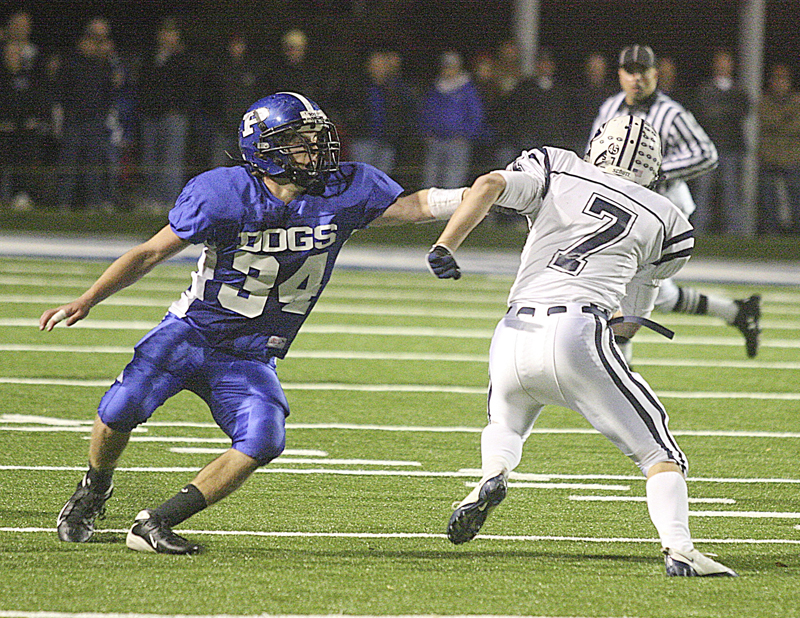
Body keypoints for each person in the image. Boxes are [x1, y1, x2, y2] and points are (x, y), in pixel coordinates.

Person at [41, 92, 464, 555]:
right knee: (119, 408)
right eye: (301, 142)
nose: (318, 152)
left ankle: (156, 522)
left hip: (251, 352)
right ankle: (94, 488)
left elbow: (417, 205)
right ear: (265, 150)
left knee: (265, 437)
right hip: (192, 333)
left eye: (317, 141)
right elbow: (150, 253)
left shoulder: (341, 192)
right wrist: (88, 298)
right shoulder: (223, 194)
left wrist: (485, 192)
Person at [426, 115, 737, 578]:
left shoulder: (557, 165)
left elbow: (489, 182)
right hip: (578, 331)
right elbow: (631, 321)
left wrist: (446, 244)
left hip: (512, 331)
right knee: (659, 453)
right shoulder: (666, 217)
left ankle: (491, 476)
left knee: (506, 420)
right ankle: (680, 549)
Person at [589, 45, 760, 359]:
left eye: (644, 71)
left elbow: (707, 153)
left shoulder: (671, 112)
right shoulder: (610, 107)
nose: (637, 78)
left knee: (624, 290)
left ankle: (617, 373)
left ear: (656, 74)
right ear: (620, 75)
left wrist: (657, 170)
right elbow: (594, 152)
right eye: (630, 71)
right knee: (656, 296)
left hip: (663, 215)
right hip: (626, 212)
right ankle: (738, 313)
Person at [54, 18, 120, 212]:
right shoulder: (71, 61)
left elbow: (112, 90)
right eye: (93, 38)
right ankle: (63, 203)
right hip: (74, 119)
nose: (96, 43)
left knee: (94, 165)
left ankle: (94, 203)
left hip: (96, 120)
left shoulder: (105, 64)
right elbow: (61, 89)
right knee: (69, 164)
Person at [137, 17, 196, 212]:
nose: (167, 36)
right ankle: (151, 199)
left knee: (171, 161)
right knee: (150, 160)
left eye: (171, 32)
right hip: (151, 115)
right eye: (164, 32)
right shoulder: (151, 57)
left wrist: (179, 107)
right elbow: (143, 84)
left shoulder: (184, 58)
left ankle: (170, 202)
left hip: (174, 116)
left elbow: (189, 88)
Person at [692, 48, 750, 235]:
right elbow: (704, 114)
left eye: (726, 62)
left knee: (731, 191)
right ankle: (699, 231)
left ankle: (734, 233)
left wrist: (721, 112)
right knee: (703, 192)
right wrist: (724, 112)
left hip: (731, 148)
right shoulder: (706, 89)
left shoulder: (739, 90)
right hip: (708, 148)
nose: (723, 66)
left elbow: (743, 111)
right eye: (720, 62)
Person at [419, 50, 484, 189]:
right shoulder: (435, 88)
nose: (448, 69)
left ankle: (449, 211)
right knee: (430, 181)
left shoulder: (467, 89)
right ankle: (429, 211)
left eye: (451, 66)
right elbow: (426, 112)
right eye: (445, 66)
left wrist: (465, 135)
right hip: (435, 140)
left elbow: (475, 115)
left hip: (457, 142)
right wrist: (426, 132)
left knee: (453, 181)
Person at [757, 63, 800, 234]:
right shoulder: (765, 101)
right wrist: (786, 118)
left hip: (792, 157)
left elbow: (796, 127)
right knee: (768, 200)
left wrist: (780, 123)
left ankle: (795, 233)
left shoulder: (796, 101)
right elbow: (767, 121)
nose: (780, 83)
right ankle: (770, 233)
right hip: (769, 156)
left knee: (795, 199)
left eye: (783, 79)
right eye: (776, 79)